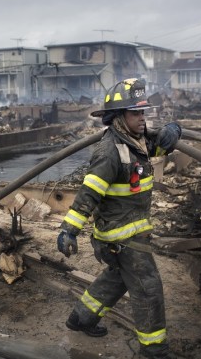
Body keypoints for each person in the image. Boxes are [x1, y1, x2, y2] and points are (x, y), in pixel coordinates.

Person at [57, 78, 181, 359]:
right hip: (120, 237)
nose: (142, 117)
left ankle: (81, 319)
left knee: (117, 280)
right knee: (148, 289)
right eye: (136, 113)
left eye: (143, 112)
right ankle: (154, 350)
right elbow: (88, 194)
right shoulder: (109, 151)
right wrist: (69, 231)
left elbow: (157, 144)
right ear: (119, 116)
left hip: (129, 233)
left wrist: (173, 132)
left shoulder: (137, 139)